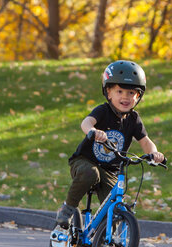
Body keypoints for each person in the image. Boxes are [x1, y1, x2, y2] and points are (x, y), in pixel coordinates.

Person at [56, 60, 165, 228]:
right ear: (108, 92)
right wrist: (92, 130)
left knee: (115, 207)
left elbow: (145, 141)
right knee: (91, 173)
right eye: (119, 91)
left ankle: (107, 245)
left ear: (138, 96)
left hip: (110, 170)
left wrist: (155, 154)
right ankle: (68, 208)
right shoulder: (103, 111)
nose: (125, 97)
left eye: (131, 93)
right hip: (85, 161)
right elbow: (86, 122)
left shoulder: (134, 120)